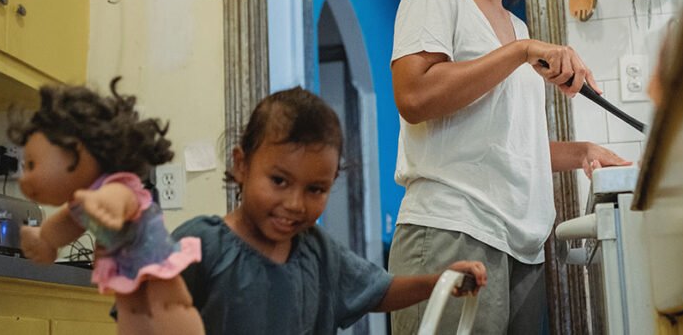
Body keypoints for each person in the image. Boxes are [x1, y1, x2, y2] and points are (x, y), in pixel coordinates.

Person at [388, 0, 631, 333]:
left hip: (522, 248)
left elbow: (507, 143)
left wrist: (583, 152)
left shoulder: (518, 30)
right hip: (452, 229)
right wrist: (518, 54)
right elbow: (414, 95)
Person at [171, 87, 487, 334]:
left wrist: (438, 282)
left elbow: (379, 292)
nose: (295, 204)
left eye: (315, 189)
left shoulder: (319, 250)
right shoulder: (199, 245)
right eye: (279, 181)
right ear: (241, 165)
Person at [7, 77, 204, 335]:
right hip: (124, 267)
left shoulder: (116, 184)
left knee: (169, 305)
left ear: (77, 150)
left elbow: (123, 199)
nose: (25, 179)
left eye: (32, 165)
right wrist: (44, 240)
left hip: (154, 260)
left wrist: (104, 204)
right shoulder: (80, 203)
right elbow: (63, 227)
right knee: (130, 310)